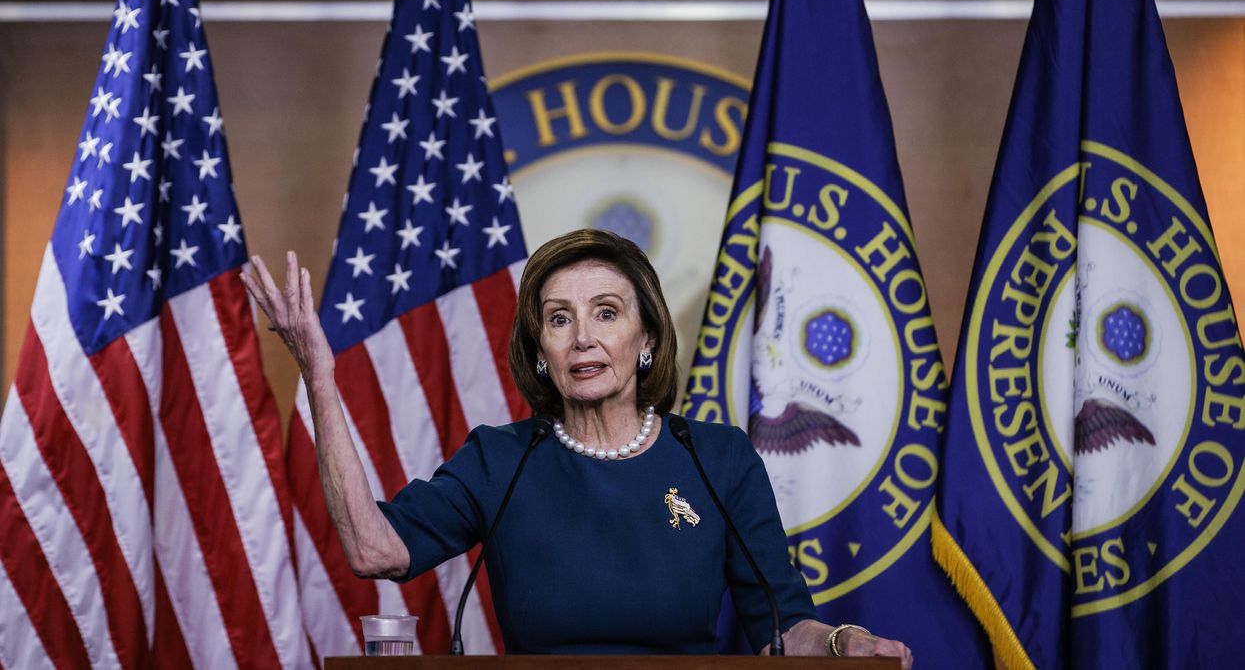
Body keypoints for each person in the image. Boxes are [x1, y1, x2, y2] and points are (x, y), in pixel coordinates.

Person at [241, 229, 913, 665]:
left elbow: (783, 628)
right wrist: (318, 376)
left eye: (606, 312)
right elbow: (373, 549)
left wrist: (836, 641)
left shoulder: (717, 457)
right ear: (541, 352)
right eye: (558, 318)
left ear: (646, 338)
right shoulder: (499, 460)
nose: (581, 336)